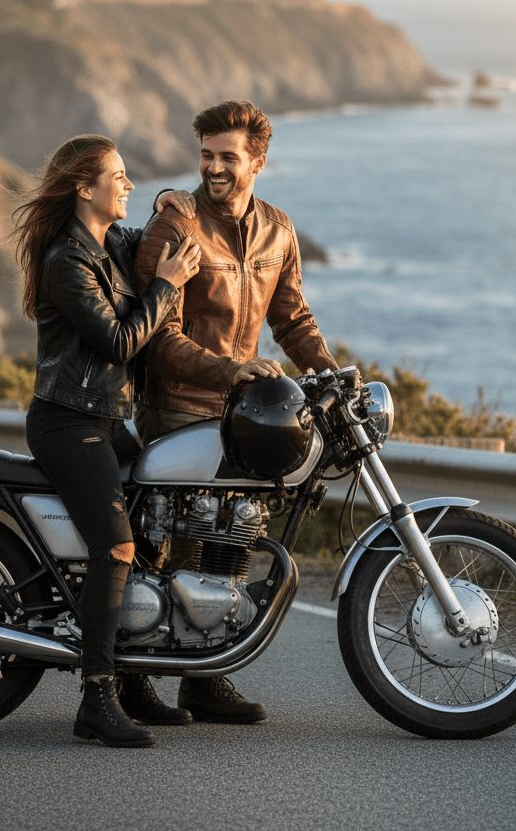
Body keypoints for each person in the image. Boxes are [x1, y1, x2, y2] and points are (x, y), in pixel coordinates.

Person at [126, 100, 337, 725]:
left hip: (242, 416)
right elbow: (158, 338)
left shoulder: (278, 229)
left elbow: (292, 319)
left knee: (230, 536)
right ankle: (135, 679)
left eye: (227, 157)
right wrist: (230, 371)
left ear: (258, 162)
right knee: (166, 545)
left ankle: (204, 677)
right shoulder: (176, 226)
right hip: (177, 407)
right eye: (206, 156)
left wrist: (330, 375)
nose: (213, 168)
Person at [12, 134, 201, 748]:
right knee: (116, 547)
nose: (128, 184)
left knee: (149, 537)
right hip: (67, 421)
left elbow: (148, 237)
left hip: (105, 421)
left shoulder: (111, 243)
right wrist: (165, 288)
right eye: (118, 177)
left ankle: (136, 681)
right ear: (83, 188)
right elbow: (118, 341)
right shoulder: (67, 260)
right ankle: (96, 697)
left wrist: (169, 201)